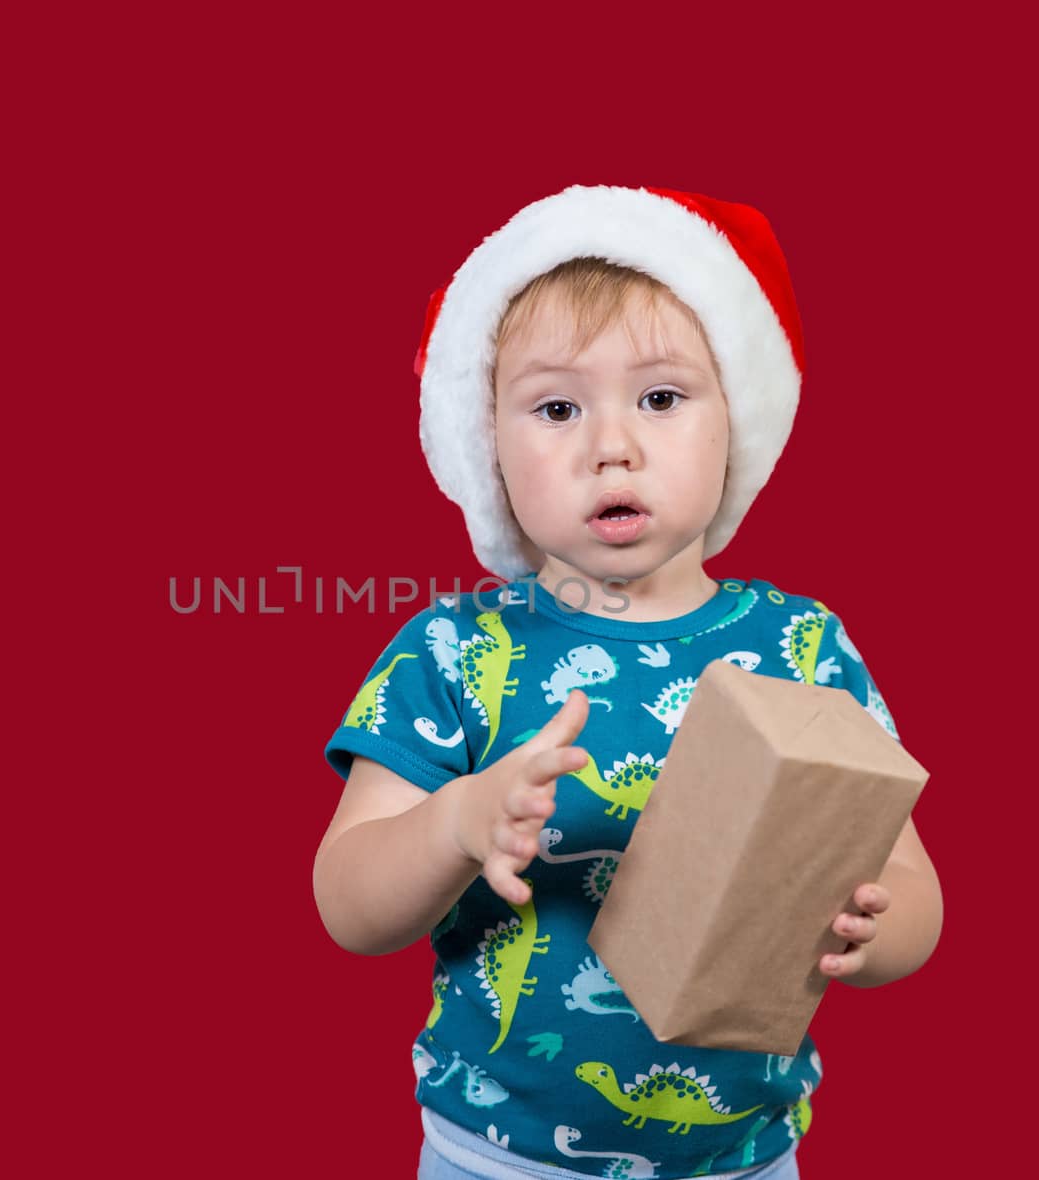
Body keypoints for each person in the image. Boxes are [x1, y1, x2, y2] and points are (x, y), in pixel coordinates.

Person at [314, 184, 944, 1179]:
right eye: (557, 406)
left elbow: (910, 879)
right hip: (500, 1155)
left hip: (745, 1154)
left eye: (660, 397)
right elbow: (345, 901)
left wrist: (881, 925)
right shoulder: (451, 649)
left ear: (733, 418)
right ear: (488, 446)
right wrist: (458, 823)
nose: (612, 444)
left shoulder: (804, 645)